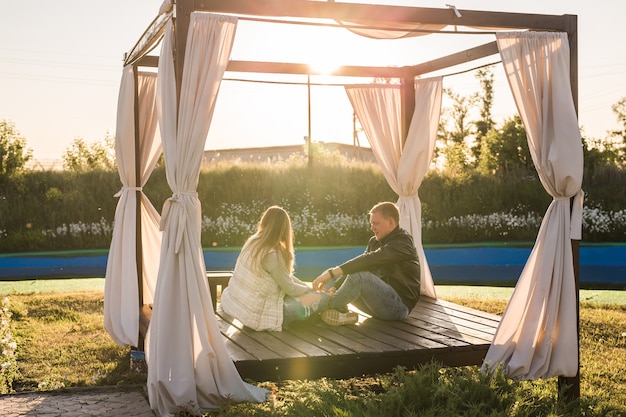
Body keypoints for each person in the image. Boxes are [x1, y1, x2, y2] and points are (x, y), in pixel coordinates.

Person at [220, 206, 328, 331]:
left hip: (241, 307)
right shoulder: (272, 255)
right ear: (284, 229)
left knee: (310, 297)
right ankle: (333, 308)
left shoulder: (253, 241)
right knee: (321, 298)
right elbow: (290, 288)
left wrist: (308, 288)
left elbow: (285, 279)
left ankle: (327, 313)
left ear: (264, 221)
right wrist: (312, 292)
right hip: (260, 316)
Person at [312, 201, 420, 326]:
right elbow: (359, 265)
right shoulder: (374, 241)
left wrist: (331, 274)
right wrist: (334, 285)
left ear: (391, 223)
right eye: (371, 223)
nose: (372, 228)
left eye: (376, 223)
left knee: (359, 277)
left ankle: (320, 306)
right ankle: (342, 313)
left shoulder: (403, 243)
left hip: (398, 308)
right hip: (376, 303)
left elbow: (370, 260)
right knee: (338, 274)